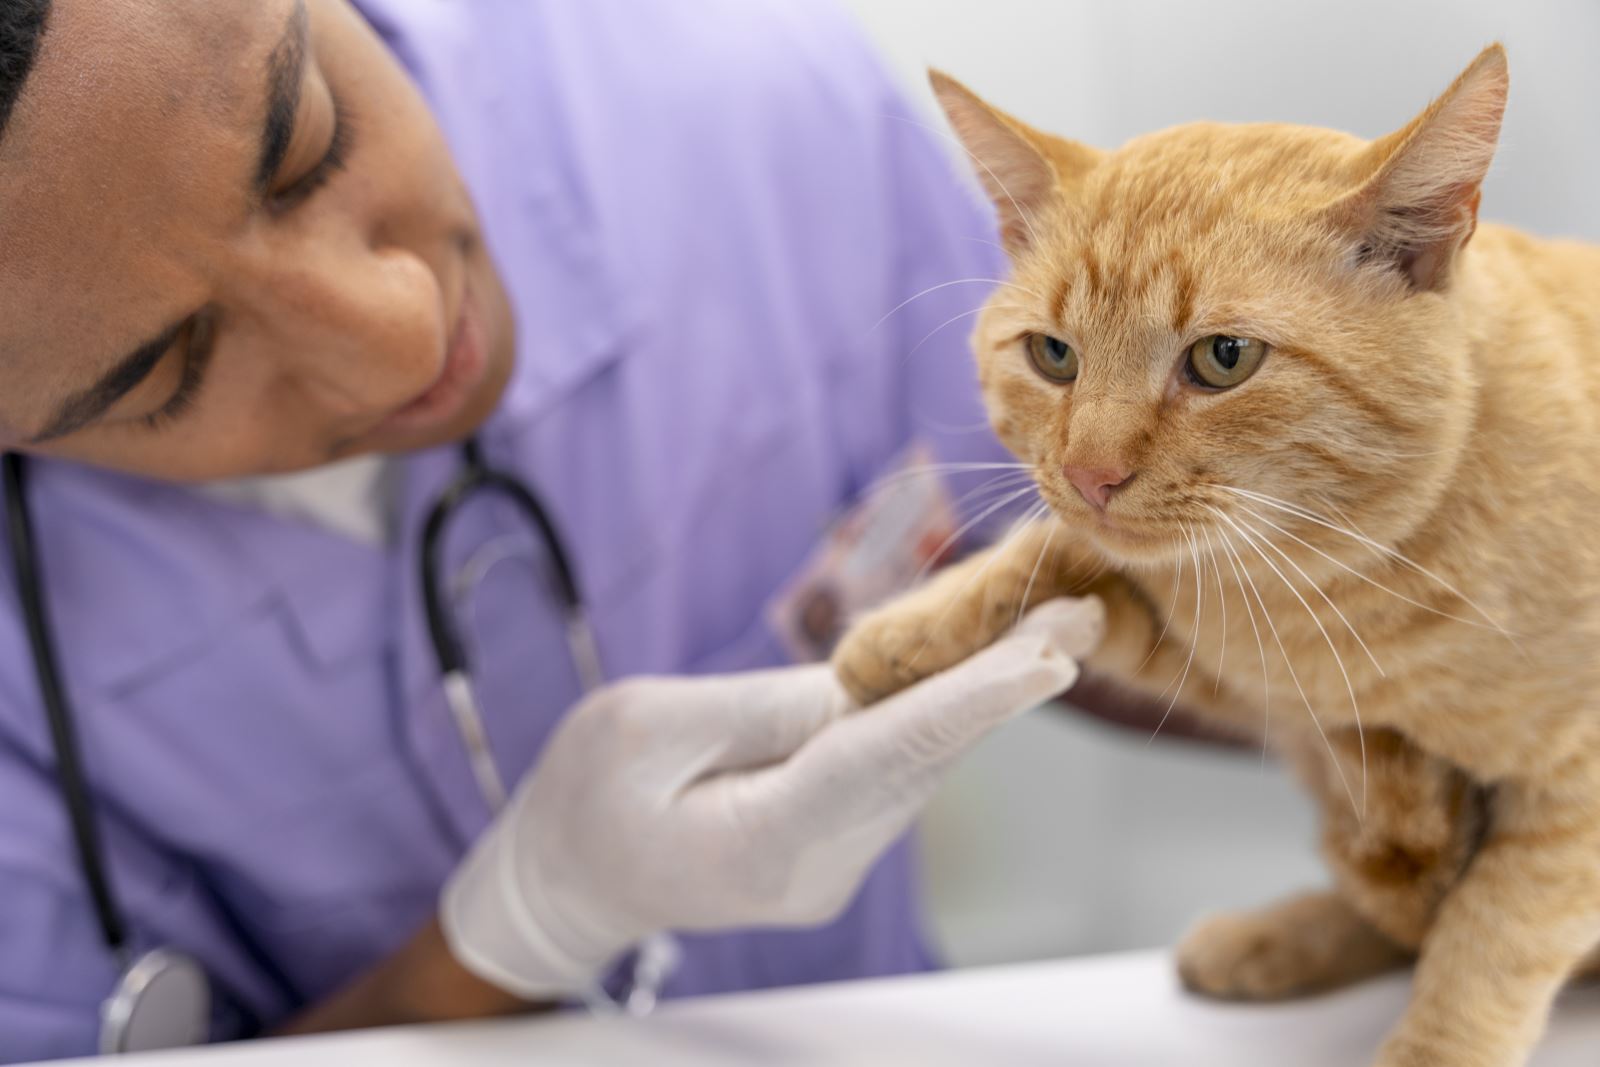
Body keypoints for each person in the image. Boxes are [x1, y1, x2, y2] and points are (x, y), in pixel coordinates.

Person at [0, 0, 1108, 1059]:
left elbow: (1093, 567)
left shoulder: (741, 88)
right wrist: (513, 930)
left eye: (311, 142)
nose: (404, 336)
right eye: (166, 369)